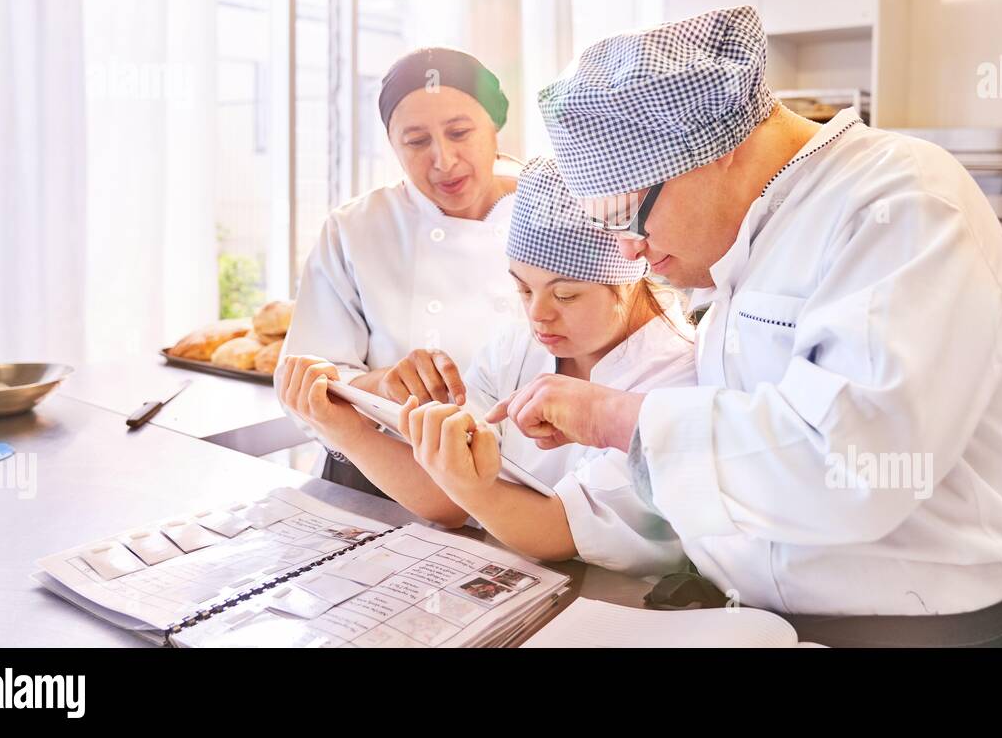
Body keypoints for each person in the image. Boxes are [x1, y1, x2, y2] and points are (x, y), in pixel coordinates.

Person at [492, 5, 1002, 647]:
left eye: (628, 214)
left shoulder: (900, 201)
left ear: (711, 149)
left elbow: (856, 466)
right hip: (765, 623)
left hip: (925, 633)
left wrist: (612, 419)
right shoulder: (748, 243)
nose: (628, 250)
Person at [279, 157, 695, 578]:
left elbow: (563, 531)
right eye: (523, 288)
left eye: (566, 295)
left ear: (628, 277)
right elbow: (447, 499)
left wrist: (467, 485)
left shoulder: (675, 373)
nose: (539, 315)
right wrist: (344, 429)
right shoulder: (516, 347)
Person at [278, 47, 522, 494]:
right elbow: (305, 379)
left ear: (495, 125)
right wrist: (382, 385)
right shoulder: (355, 228)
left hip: (523, 479)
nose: (443, 160)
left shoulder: (556, 208)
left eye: (460, 132)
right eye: (416, 141)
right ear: (392, 144)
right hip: (380, 476)